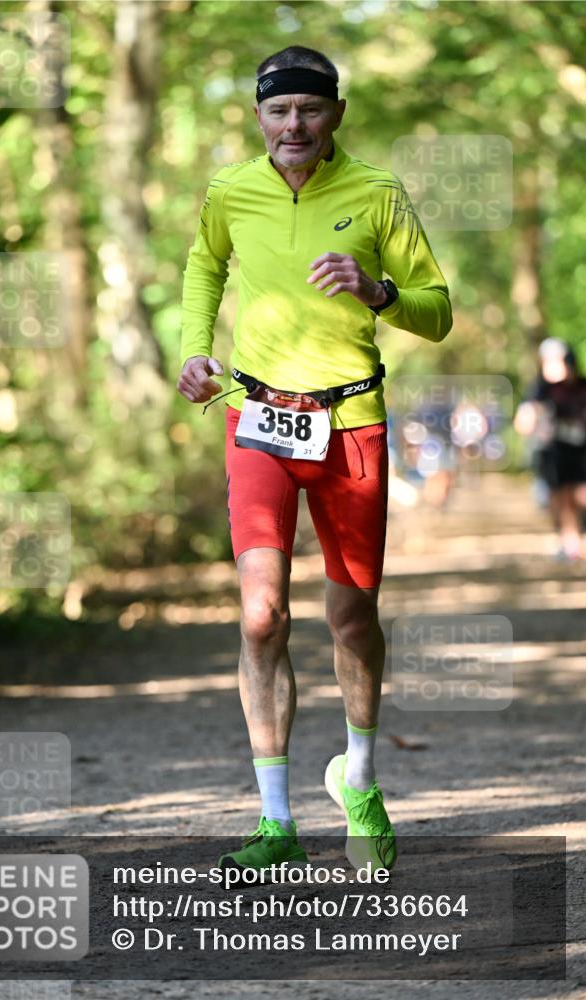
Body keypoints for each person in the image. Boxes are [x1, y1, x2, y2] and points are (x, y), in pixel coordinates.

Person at [177, 45, 452, 879]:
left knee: (351, 619)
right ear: (258, 116)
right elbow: (203, 266)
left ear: (335, 114)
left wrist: (376, 292)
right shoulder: (231, 190)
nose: (292, 125)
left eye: (308, 109)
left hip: (351, 426)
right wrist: (194, 353)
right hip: (257, 418)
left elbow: (436, 312)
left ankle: (359, 782)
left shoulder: (376, 192)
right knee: (261, 616)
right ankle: (274, 818)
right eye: (277, 110)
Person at [514, 338, 586, 560]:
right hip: (553, 452)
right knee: (560, 498)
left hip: (581, 450)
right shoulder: (539, 390)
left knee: (581, 495)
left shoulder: (582, 386)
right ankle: (569, 542)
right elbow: (523, 422)